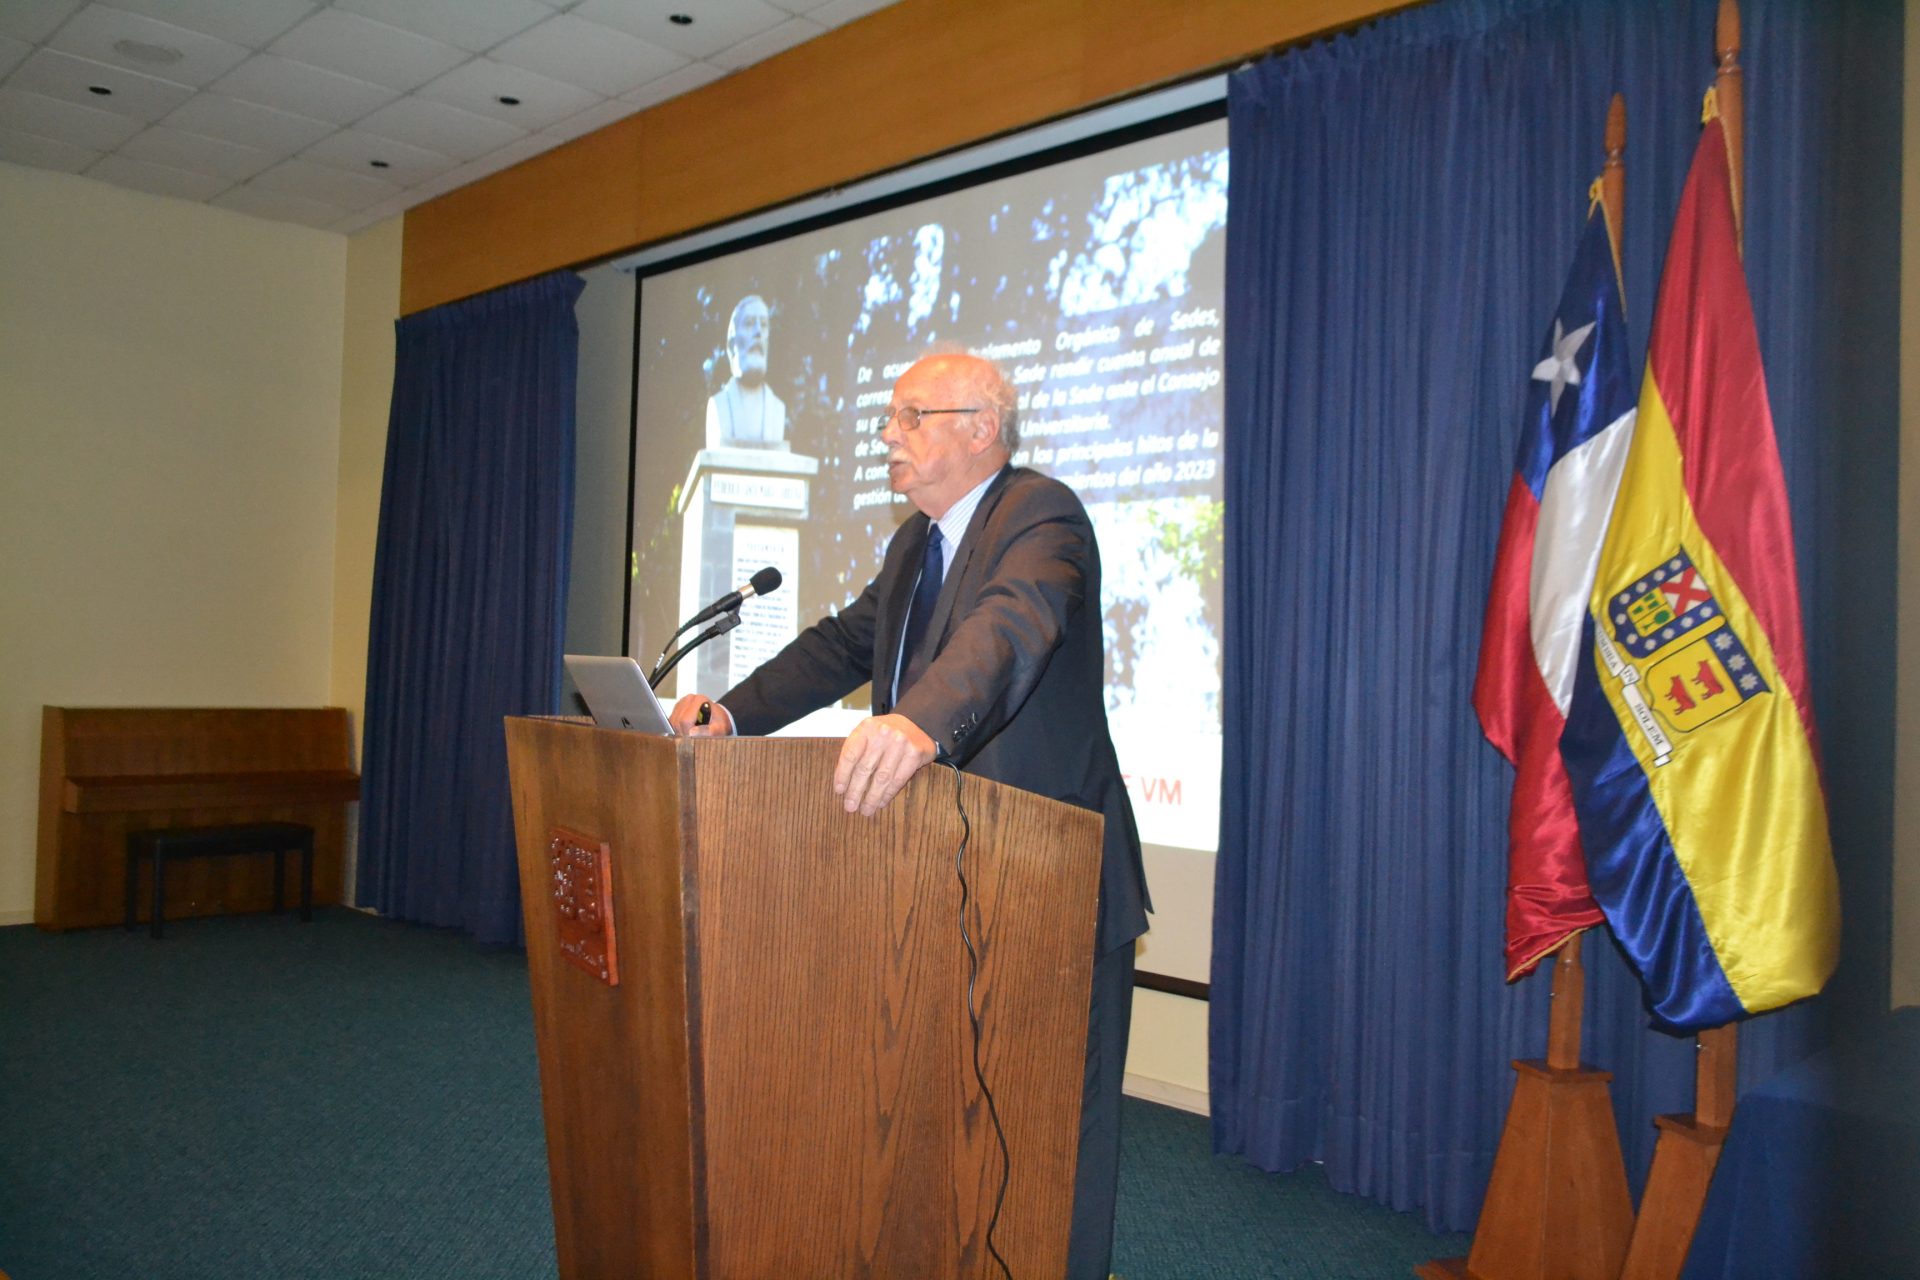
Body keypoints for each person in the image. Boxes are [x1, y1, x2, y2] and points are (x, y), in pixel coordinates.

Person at [669, 351, 1148, 1279]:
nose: (887, 433)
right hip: (936, 879)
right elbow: (837, 647)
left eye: (909, 415)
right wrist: (731, 715)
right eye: (889, 416)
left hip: (1049, 881)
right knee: (944, 1111)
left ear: (981, 428)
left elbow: (1011, 628)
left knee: (1057, 1130)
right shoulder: (910, 548)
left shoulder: (1042, 516)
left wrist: (918, 724)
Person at [704, 294, 787, 449]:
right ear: (732, 344)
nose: (758, 332)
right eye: (749, 324)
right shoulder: (718, 405)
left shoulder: (778, 409)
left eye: (763, 325)